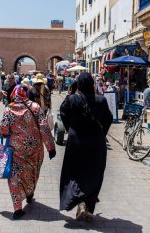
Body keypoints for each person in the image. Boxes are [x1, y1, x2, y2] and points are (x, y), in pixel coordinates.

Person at [59, 73, 113, 221]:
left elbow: (63, 114)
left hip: (76, 143)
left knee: (74, 173)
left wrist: (72, 128)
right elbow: (108, 118)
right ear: (91, 84)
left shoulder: (71, 99)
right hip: (96, 143)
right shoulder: (101, 100)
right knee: (94, 174)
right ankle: (88, 206)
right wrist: (101, 134)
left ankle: (80, 202)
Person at [0, 85, 56, 220]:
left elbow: (3, 129)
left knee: (14, 177)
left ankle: (17, 208)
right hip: (34, 147)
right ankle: (30, 192)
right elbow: (44, 127)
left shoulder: (8, 109)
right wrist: (50, 147)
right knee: (32, 170)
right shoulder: (35, 107)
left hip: (16, 149)